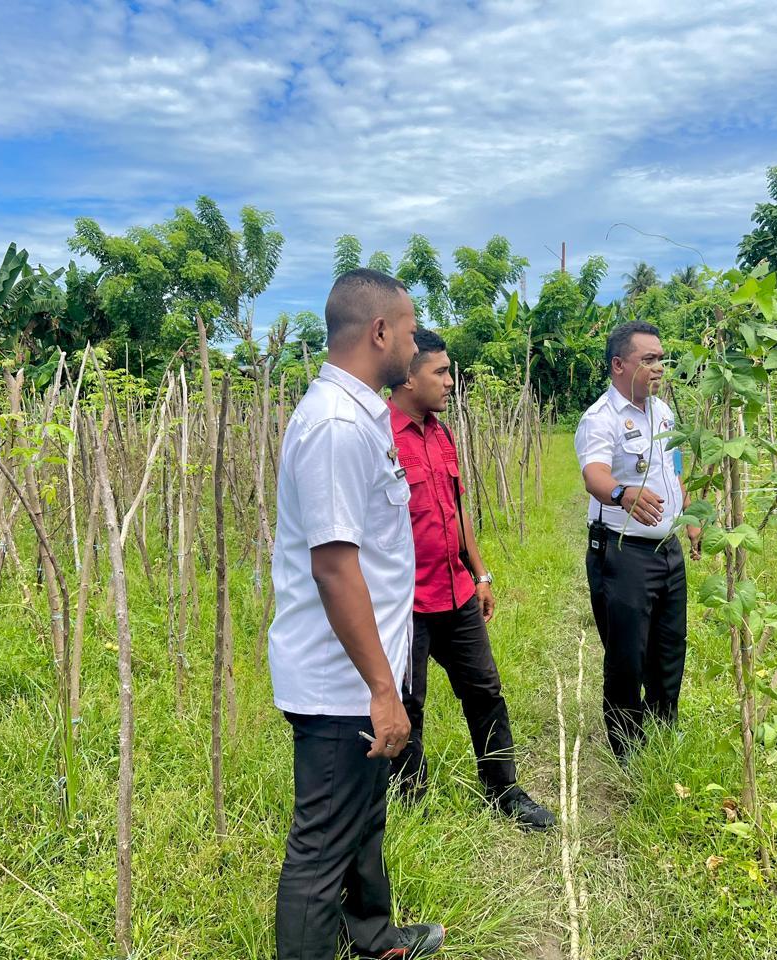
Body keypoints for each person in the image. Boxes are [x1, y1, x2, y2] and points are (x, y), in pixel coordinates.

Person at [269, 269, 444, 960]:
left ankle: (373, 939)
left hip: (363, 669)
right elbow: (335, 567)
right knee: (321, 845)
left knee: (362, 818)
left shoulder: (360, 413)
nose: (412, 339)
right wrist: (380, 689)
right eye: (407, 328)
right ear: (379, 332)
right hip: (341, 681)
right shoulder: (339, 427)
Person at [388, 328, 556, 832]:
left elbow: (457, 509)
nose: (450, 383)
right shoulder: (379, 436)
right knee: (408, 705)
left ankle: (503, 789)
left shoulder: (441, 433)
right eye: (440, 372)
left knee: (485, 690)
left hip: (456, 590)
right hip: (405, 603)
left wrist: (478, 572)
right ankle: (408, 802)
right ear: (408, 375)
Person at [574, 320, 700, 763]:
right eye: (648, 359)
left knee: (670, 646)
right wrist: (621, 493)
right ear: (619, 364)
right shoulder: (600, 419)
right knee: (628, 654)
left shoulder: (664, 413)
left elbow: (675, 466)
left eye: (660, 359)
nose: (658, 367)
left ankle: (665, 729)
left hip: (667, 549)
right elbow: (595, 473)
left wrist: (690, 515)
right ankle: (626, 747)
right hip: (623, 552)